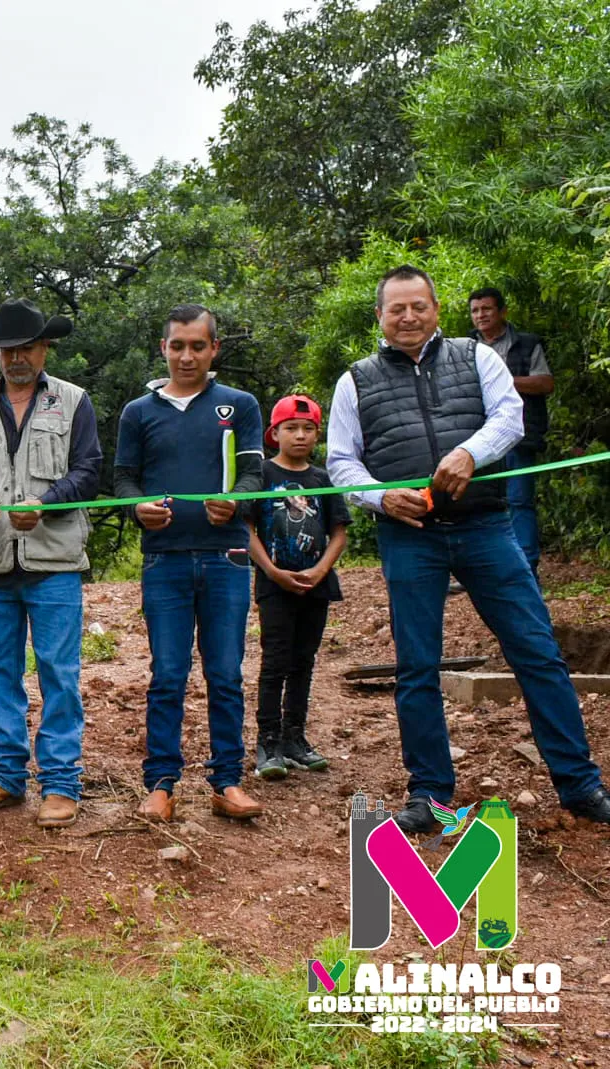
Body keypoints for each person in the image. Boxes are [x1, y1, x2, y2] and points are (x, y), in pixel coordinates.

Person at [327, 265, 610, 828]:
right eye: (396, 309)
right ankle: (429, 797)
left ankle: (580, 787)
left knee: (537, 651)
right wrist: (381, 498)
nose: (408, 317)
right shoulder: (353, 380)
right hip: (409, 539)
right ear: (379, 317)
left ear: (436, 309)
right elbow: (340, 463)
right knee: (416, 668)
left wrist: (469, 455)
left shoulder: (478, 357)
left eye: (419, 306)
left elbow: (511, 417)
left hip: (486, 529)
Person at [116, 304, 266, 823]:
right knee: (168, 675)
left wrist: (239, 503)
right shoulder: (139, 412)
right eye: (177, 345)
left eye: (197, 346)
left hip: (226, 557)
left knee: (225, 673)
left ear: (214, 349)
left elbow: (254, 474)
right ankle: (160, 783)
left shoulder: (239, 405)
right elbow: (124, 481)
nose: (187, 355)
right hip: (164, 562)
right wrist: (135, 508)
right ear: (164, 348)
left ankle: (227, 780)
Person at [0, 299, 103, 829]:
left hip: (54, 561)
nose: (16, 357)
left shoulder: (73, 401)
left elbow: (90, 470)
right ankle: (4, 776)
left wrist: (50, 502)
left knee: (59, 672)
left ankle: (62, 783)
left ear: (44, 349)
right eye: (7, 349)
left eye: (26, 347)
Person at [246, 395, 347, 780]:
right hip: (275, 585)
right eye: (291, 428)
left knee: (304, 662)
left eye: (308, 429)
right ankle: (267, 740)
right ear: (275, 433)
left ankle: (295, 737)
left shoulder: (322, 479)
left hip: (316, 586)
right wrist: (271, 570)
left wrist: (321, 570)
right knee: (275, 662)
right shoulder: (262, 475)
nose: (300, 436)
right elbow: (247, 529)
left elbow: (338, 532)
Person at [468, 288, 552, 577]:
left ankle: (527, 568)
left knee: (519, 501)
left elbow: (545, 383)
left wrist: (503, 379)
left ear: (502, 311)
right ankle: (482, 570)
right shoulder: (465, 346)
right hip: (475, 440)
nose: (481, 315)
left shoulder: (526, 344)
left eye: (487, 309)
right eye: (475, 310)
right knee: (477, 504)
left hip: (519, 435)